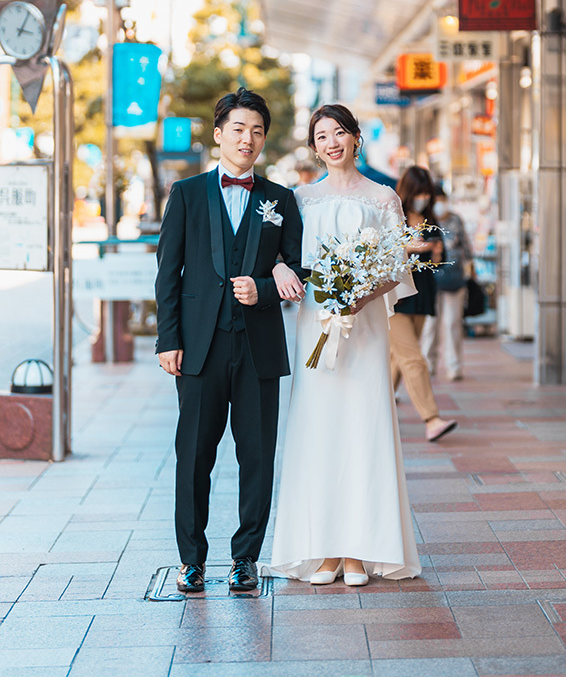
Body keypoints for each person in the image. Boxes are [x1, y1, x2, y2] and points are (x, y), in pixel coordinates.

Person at [155, 88, 307, 594]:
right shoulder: (187, 194)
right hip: (199, 348)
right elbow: (168, 273)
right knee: (194, 456)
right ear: (219, 134)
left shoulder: (280, 199)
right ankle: (191, 561)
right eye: (239, 129)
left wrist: (264, 286)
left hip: (258, 346)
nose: (248, 139)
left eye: (257, 131)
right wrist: (167, 339)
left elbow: (298, 268)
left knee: (257, 457)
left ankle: (246, 558)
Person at [269, 104, 421, 586]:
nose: (331, 143)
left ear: (355, 137)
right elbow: (279, 255)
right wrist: (281, 269)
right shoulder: (300, 199)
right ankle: (325, 549)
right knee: (318, 429)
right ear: (313, 147)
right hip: (315, 325)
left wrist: (359, 297)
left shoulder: (383, 197)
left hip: (365, 326)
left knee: (363, 426)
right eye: (322, 136)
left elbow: (397, 267)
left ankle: (359, 550)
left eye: (339, 133)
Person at [389, 167, 458, 441]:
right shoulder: (393, 216)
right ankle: (431, 419)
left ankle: (374, 411)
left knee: (398, 359)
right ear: (408, 191)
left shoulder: (430, 221)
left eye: (426, 192)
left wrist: (436, 252)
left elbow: (438, 262)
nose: (423, 198)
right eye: (418, 192)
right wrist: (408, 247)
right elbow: (383, 254)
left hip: (422, 295)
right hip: (395, 296)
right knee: (413, 358)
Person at [420, 187, 474, 381]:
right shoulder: (425, 221)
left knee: (452, 323)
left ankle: (454, 366)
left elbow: (466, 247)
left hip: (454, 279)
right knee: (430, 324)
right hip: (431, 280)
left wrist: (470, 269)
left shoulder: (456, 220)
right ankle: (428, 364)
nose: (439, 204)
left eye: (441, 199)